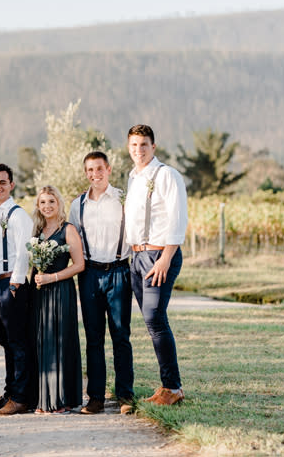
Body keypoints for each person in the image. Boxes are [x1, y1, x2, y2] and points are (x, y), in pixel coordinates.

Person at [124, 124, 188, 406]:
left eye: (144, 145)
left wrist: (165, 258)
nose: (138, 150)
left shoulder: (167, 175)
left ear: (154, 147)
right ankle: (167, 386)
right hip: (137, 256)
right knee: (152, 322)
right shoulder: (133, 178)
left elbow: (177, 218)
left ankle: (173, 387)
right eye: (134, 145)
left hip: (159, 254)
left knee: (155, 318)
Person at [69, 152, 134, 415]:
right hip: (90, 274)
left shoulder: (123, 199)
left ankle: (125, 395)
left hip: (119, 271)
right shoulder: (78, 205)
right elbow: (72, 240)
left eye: (99, 168)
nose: (94, 174)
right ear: (85, 173)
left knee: (121, 335)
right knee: (93, 338)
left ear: (108, 169)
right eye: (90, 170)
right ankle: (95, 397)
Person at [0, 164, 33, 416]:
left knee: (17, 341)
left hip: (10, 284)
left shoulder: (17, 215)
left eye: (3, 182)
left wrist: (15, 282)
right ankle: (10, 392)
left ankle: (21, 398)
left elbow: (24, 251)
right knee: (5, 342)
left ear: (11, 184)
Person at [30, 185, 85, 414]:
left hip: (61, 291)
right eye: (43, 202)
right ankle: (44, 399)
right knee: (42, 341)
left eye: (51, 201)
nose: (47, 206)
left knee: (60, 341)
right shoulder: (36, 231)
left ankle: (62, 399)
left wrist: (52, 277)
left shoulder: (68, 229)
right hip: (39, 293)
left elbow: (80, 265)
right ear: (38, 206)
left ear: (59, 203)